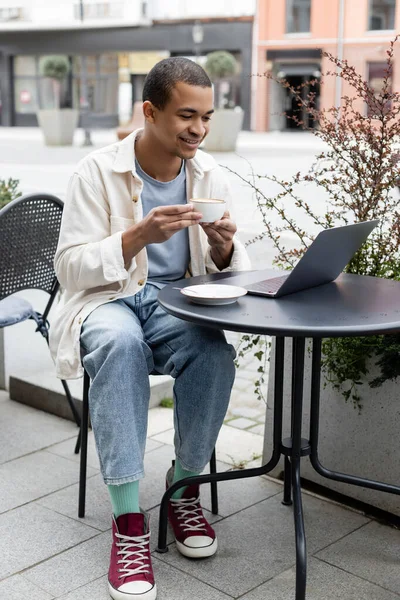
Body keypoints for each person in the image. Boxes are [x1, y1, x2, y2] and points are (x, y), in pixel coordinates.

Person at [50, 56, 251, 600]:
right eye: (187, 115)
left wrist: (224, 247)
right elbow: (67, 268)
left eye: (207, 117)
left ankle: (182, 489)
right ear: (150, 111)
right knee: (120, 343)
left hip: (173, 303)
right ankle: (127, 523)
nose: (199, 130)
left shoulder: (207, 173)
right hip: (106, 300)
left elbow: (233, 270)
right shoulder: (96, 172)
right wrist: (135, 237)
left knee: (213, 351)